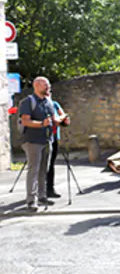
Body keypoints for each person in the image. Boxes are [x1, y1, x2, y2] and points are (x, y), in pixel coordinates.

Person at [19, 77, 57, 212]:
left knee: (43, 170)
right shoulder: (28, 102)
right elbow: (25, 121)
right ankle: (31, 200)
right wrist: (41, 124)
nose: (48, 87)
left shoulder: (48, 102)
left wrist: (62, 121)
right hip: (32, 140)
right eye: (46, 85)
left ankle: (42, 196)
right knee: (33, 170)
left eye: (48, 84)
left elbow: (53, 119)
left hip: (47, 140)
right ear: (36, 85)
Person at [46, 92, 70, 198]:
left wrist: (63, 119)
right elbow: (58, 119)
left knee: (51, 164)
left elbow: (64, 118)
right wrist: (60, 118)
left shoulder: (55, 104)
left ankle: (50, 189)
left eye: (49, 93)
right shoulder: (40, 106)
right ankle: (41, 189)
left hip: (54, 137)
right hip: (42, 138)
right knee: (43, 165)